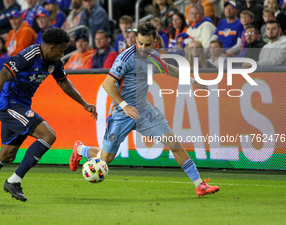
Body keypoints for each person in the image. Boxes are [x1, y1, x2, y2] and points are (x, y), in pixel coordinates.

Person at [69, 22, 220, 197]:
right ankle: (80, 150)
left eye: (147, 45)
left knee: (174, 144)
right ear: (135, 40)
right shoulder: (125, 58)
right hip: (121, 113)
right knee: (105, 160)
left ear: (154, 42)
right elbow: (107, 84)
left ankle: (199, 185)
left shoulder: (153, 56)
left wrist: (193, 81)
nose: (142, 48)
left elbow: (168, 68)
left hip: (144, 111)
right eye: (139, 43)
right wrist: (125, 106)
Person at [0, 28, 97, 202]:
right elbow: (0, 78)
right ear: (51, 48)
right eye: (61, 50)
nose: (62, 54)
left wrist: (84, 103)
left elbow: (63, 82)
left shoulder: (54, 61)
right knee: (48, 135)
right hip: (9, 104)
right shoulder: (28, 57)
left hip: (22, 106)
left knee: (7, 155)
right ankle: (14, 181)